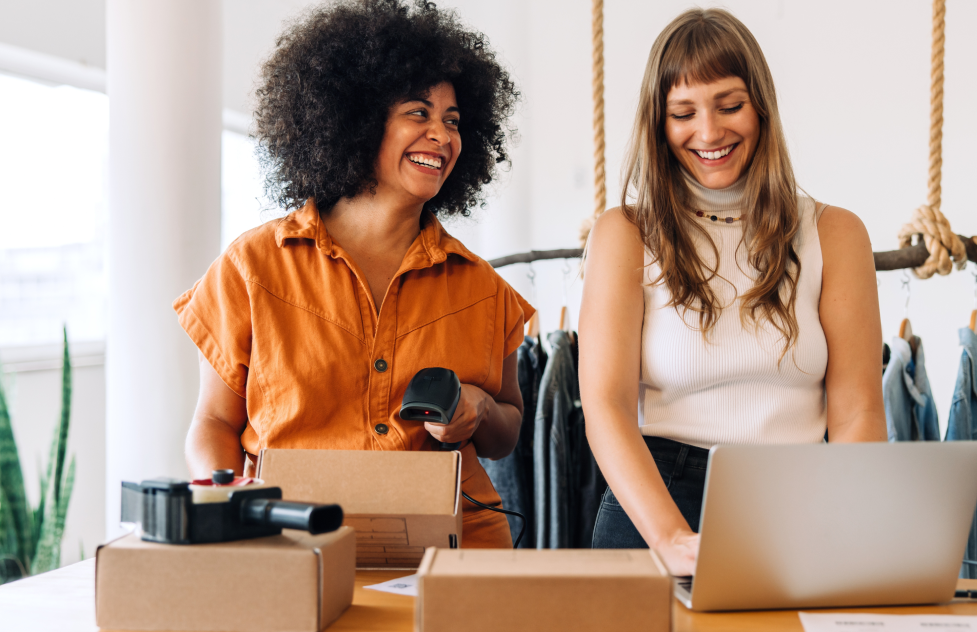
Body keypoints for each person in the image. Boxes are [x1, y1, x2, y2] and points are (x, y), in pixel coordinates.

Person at [174, 0, 529, 548]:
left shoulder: (482, 287)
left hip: (452, 548)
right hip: (293, 541)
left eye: (453, 120)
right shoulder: (251, 268)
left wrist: (479, 410)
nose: (441, 134)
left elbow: (506, 432)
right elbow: (215, 425)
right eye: (419, 112)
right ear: (358, 120)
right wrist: (235, 508)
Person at [578, 8, 887, 575]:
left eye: (729, 105)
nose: (710, 132)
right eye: (683, 113)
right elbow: (606, 407)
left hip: (802, 494)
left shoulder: (835, 233)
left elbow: (859, 412)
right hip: (659, 500)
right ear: (658, 122)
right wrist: (671, 538)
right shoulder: (624, 235)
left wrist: (847, 518)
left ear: (761, 107)